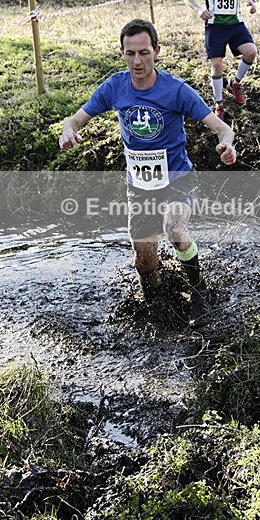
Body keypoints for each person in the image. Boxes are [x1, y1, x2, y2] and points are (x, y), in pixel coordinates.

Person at [59, 18, 236, 313]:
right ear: (122, 53)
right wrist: (69, 130)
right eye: (130, 54)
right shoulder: (114, 87)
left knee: (175, 230)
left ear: (156, 50)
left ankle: (198, 291)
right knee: (144, 264)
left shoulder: (175, 90)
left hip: (177, 178)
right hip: (139, 186)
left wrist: (227, 145)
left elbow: (222, 128)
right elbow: (75, 119)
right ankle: (156, 307)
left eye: (144, 53)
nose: (137, 61)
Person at [183, 0, 257, 119]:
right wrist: (199, 9)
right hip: (215, 26)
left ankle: (235, 83)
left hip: (235, 22)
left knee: (251, 52)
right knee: (217, 65)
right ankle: (219, 104)